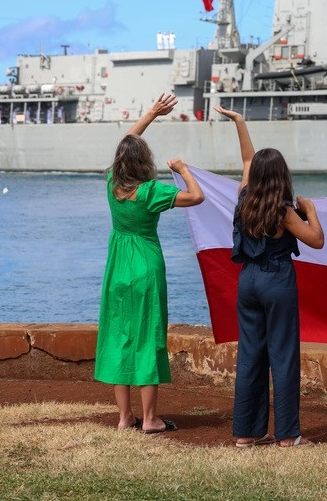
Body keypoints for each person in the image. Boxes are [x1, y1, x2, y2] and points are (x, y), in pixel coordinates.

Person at [213, 105, 325, 449]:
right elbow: (316, 241)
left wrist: (240, 123)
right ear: (281, 176)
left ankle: (245, 434)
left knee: (251, 355)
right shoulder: (284, 210)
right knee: (283, 355)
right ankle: (288, 435)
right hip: (277, 281)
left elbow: (248, 162)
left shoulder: (244, 199)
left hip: (247, 281)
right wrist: (312, 212)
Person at [94, 93, 204, 433]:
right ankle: (151, 419)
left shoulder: (112, 183)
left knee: (119, 337)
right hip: (146, 267)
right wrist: (183, 169)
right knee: (148, 338)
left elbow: (126, 143)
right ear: (145, 162)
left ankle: (125, 418)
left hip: (117, 269)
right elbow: (197, 196)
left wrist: (151, 113)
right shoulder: (151, 192)